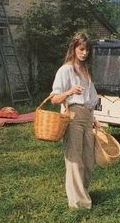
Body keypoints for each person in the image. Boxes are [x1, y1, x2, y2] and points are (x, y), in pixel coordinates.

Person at [51, 32, 100, 209]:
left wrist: (94, 118)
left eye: (87, 49)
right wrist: (69, 91)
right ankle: (79, 202)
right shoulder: (65, 70)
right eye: (81, 49)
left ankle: (83, 192)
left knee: (88, 159)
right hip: (73, 115)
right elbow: (54, 98)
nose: (85, 53)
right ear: (74, 49)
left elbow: (91, 99)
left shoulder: (86, 71)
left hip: (87, 116)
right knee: (74, 159)